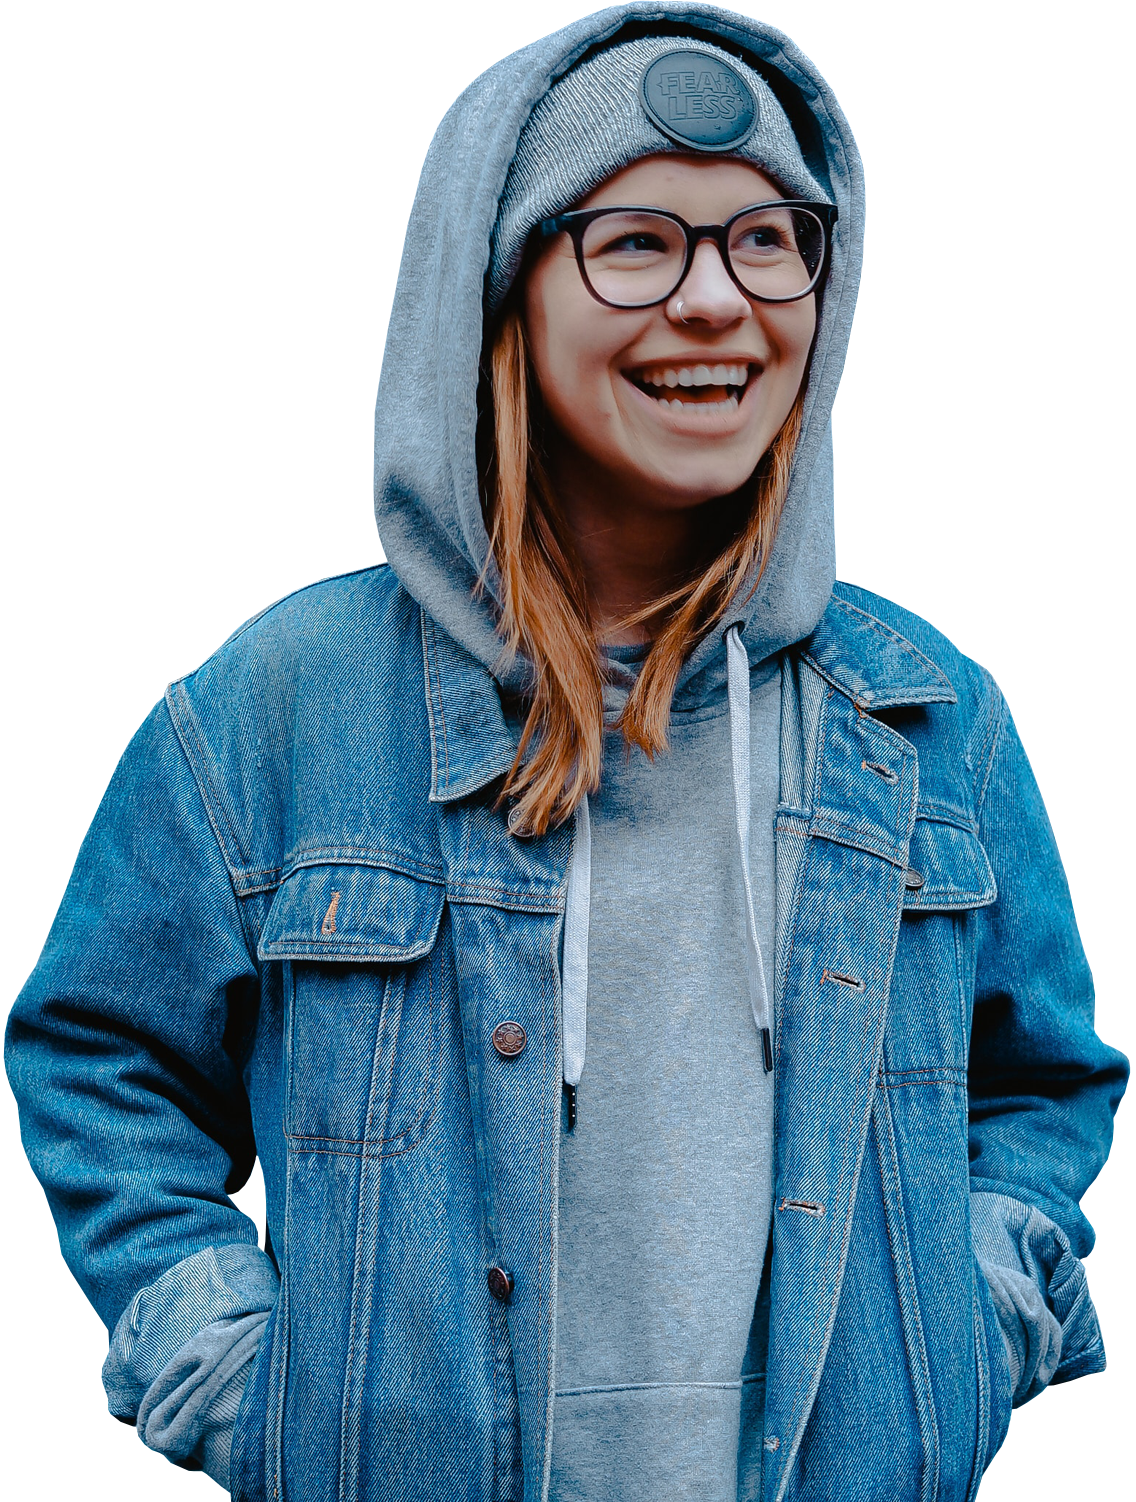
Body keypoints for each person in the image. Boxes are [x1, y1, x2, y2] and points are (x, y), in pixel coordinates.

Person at [4, 3, 1128, 1499]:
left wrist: (970, 1330)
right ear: (498, 294)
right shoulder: (280, 713)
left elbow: (1041, 1083)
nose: (719, 300)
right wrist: (240, 1376)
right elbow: (100, 1056)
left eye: (769, 241)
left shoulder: (931, 722)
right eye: (637, 243)